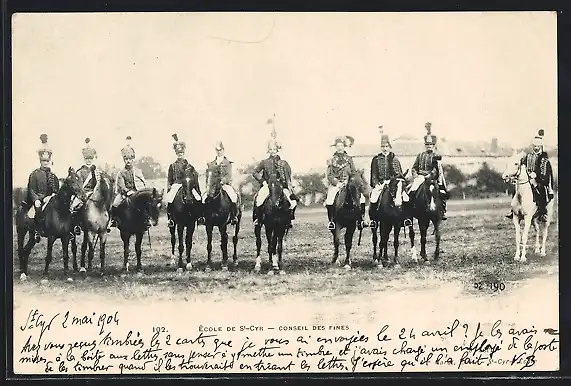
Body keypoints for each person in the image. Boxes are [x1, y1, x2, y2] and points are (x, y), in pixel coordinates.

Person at [506, 129, 554, 221]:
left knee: (541, 190)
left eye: (537, 146)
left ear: (540, 146)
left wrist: (536, 175)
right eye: (534, 146)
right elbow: (521, 167)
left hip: (538, 179)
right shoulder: (528, 156)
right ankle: (513, 210)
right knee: (516, 189)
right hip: (527, 179)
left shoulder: (544, 158)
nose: (536, 148)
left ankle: (542, 212)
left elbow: (545, 171)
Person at [252, 137, 298, 228]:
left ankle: (289, 219)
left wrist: (289, 185)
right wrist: (263, 181)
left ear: (277, 150)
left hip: (281, 186)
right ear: (268, 151)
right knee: (259, 200)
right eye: (270, 149)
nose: (272, 151)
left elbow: (288, 175)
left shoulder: (284, 163)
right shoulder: (264, 162)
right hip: (268, 186)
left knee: (292, 202)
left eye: (274, 149)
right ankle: (258, 219)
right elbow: (255, 172)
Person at [405, 122, 448, 220]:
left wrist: (430, 176)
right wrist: (415, 174)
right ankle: (410, 211)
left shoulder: (435, 156)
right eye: (427, 144)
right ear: (425, 145)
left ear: (433, 145)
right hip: (420, 177)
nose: (429, 146)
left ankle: (442, 211)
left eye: (431, 144)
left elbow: (436, 169)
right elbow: (414, 167)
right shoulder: (420, 155)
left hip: (431, 178)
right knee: (412, 190)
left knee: (441, 191)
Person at [324, 135, 367, 230]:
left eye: (341, 146)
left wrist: (351, 181)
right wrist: (337, 183)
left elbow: (353, 172)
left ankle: (361, 219)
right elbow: (329, 175)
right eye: (338, 146)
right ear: (335, 147)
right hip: (337, 185)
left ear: (344, 147)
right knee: (330, 199)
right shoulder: (331, 160)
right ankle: (331, 221)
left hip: (349, 183)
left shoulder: (349, 159)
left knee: (362, 198)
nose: (340, 148)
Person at [109, 136, 149, 228]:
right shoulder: (121, 172)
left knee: (145, 203)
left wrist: (139, 191)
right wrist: (127, 191)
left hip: (136, 192)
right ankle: (114, 220)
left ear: (132, 159)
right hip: (125, 193)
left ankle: (147, 220)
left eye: (130, 159)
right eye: (126, 159)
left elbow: (143, 183)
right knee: (115, 204)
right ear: (124, 160)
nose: (128, 161)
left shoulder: (137, 171)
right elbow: (121, 185)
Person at [26, 134, 60, 242]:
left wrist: (53, 195)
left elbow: (56, 188)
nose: (45, 163)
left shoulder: (53, 175)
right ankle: (37, 231)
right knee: (36, 211)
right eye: (43, 161)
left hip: (50, 198)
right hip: (38, 199)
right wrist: (35, 200)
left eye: (47, 161)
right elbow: (31, 188)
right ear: (40, 161)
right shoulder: (34, 174)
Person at [164, 133, 202, 228]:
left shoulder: (189, 165)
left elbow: (194, 176)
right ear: (176, 153)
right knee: (170, 198)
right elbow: (169, 178)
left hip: (188, 185)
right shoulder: (173, 166)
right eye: (178, 153)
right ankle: (171, 219)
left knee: (198, 197)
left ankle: (199, 216)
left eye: (181, 153)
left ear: (184, 153)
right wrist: (169, 187)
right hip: (176, 185)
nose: (180, 155)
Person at [369, 130, 405, 226]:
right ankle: (373, 219)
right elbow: (373, 174)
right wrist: (376, 183)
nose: (385, 149)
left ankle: (404, 219)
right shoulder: (376, 159)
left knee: (404, 197)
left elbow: (399, 173)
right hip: (381, 184)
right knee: (373, 198)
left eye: (386, 146)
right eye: (383, 147)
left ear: (389, 147)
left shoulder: (394, 159)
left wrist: (394, 181)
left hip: (393, 184)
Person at [203, 141, 240, 225]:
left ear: (223, 150)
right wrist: (209, 185)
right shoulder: (212, 163)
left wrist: (223, 181)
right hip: (213, 186)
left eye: (220, 150)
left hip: (225, 185)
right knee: (204, 197)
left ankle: (233, 216)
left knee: (233, 196)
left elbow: (228, 175)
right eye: (217, 150)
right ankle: (203, 217)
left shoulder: (227, 163)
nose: (219, 152)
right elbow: (209, 175)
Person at [72, 137, 102, 235]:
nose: (88, 161)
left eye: (90, 159)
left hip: (94, 192)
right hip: (84, 193)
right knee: (75, 206)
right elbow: (79, 185)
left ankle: (106, 223)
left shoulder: (96, 171)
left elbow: (99, 182)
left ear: (93, 159)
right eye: (87, 159)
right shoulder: (80, 171)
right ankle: (76, 225)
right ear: (84, 159)